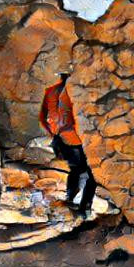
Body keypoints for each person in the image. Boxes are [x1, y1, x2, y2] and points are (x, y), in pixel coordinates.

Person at [40, 72, 96, 215]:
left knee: (75, 170)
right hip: (78, 138)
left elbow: (44, 118)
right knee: (92, 173)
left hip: (63, 138)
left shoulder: (52, 91)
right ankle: (85, 208)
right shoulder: (76, 91)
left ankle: (70, 199)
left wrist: (55, 134)